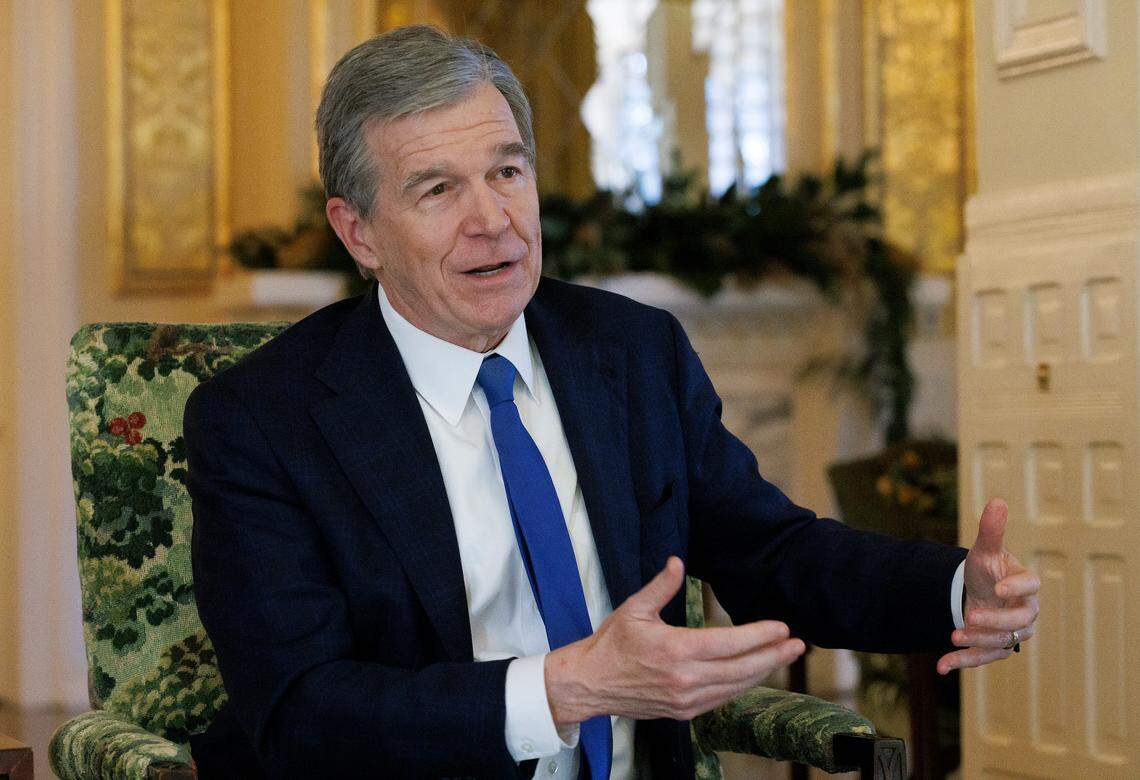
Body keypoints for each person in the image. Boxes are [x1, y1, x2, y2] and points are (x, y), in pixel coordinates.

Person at [184, 25, 1040, 779]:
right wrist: (567, 689)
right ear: (358, 231)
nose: (494, 220)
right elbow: (302, 712)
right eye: (438, 190)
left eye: (507, 171)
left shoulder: (631, 353)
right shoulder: (264, 420)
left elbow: (771, 551)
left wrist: (956, 589)